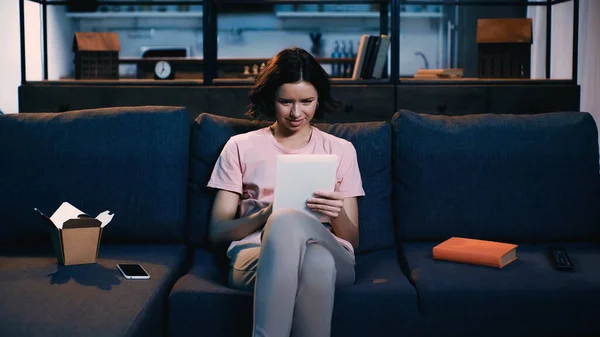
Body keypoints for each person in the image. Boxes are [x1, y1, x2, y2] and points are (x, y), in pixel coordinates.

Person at [207, 47, 365, 337]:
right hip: (256, 255)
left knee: (305, 238)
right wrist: (267, 214)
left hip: (330, 247)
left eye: (307, 101)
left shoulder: (341, 150)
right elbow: (217, 232)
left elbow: (351, 239)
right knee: (315, 262)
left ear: (319, 99)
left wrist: (336, 211)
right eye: (285, 102)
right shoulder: (240, 147)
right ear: (272, 99)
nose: (296, 113)